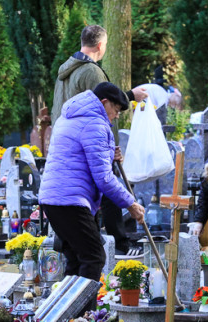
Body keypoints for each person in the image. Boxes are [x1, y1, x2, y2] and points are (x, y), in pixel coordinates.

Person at [51, 25, 149, 256]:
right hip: (86, 145)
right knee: (106, 191)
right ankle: (119, 245)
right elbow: (104, 104)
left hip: (67, 144)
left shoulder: (65, 71)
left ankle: (90, 245)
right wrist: (131, 96)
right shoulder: (91, 71)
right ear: (101, 45)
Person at [39, 83, 144, 287]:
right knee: (94, 256)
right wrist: (130, 204)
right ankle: (85, 315)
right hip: (70, 201)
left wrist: (107, 154)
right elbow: (103, 178)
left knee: (77, 260)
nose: (115, 116)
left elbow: (77, 154)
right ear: (104, 103)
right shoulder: (95, 123)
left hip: (54, 198)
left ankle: (68, 315)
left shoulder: (69, 116)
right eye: (115, 110)